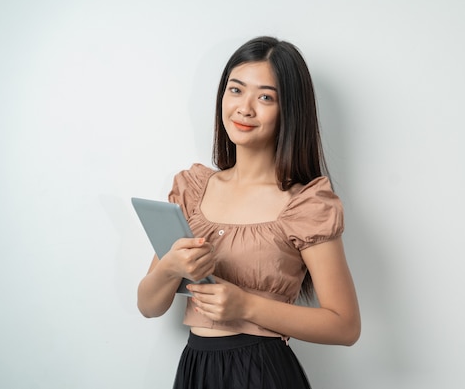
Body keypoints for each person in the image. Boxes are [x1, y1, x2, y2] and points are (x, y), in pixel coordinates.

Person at [137, 36, 361, 389]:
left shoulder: (306, 205)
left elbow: (345, 326)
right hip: (195, 369)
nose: (245, 108)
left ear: (290, 110)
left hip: (262, 373)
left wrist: (245, 306)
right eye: (236, 90)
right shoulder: (193, 190)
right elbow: (148, 306)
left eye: (266, 97)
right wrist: (170, 267)